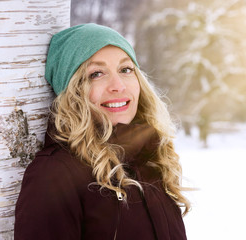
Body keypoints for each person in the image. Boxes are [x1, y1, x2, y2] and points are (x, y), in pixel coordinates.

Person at [14, 23, 190, 240]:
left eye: (126, 70)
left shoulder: (151, 158)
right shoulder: (54, 175)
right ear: (72, 91)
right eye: (96, 74)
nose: (118, 86)